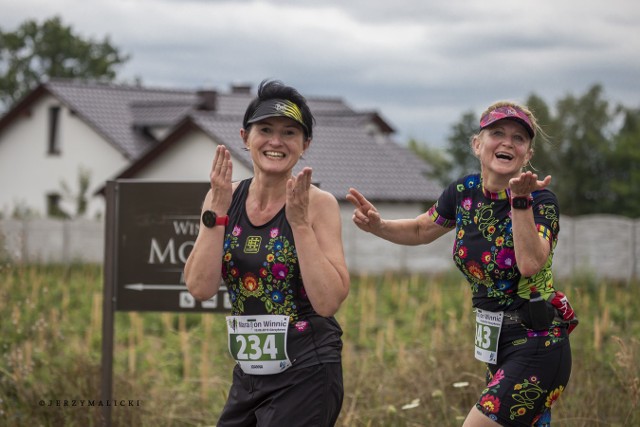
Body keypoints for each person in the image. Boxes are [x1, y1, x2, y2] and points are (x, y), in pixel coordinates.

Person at [347, 102, 577, 427]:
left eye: (519, 138)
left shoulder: (541, 201)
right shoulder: (464, 192)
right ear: (477, 144)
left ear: (527, 154)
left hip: (538, 341)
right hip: (496, 342)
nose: (508, 142)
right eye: (497, 133)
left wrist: (520, 201)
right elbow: (421, 228)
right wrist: (379, 226)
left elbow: (529, 264)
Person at [184, 79, 350, 426]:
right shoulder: (222, 197)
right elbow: (199, 288)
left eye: (290, 133)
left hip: (308, 366)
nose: (276, 141)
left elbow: (329, 301)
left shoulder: (319, 205)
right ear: (245, 138)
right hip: (249, 370)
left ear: (305, 145)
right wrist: (216, 211)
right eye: (266, 129)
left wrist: (300, 225)